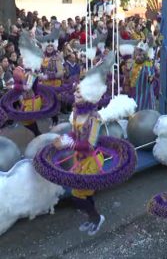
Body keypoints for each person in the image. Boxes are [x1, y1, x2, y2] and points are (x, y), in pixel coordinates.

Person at [53, 51, 114, 236]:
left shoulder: (95, 117)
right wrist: (66, 138)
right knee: (85, 194)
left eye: (80, 90)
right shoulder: (77, 112)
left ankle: (97, 218)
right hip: (80, 160)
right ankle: (93, 218)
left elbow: (90, 144)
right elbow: (75, 131)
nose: (76, 92)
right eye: (76, 90)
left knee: (77, 195)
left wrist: (69, 145)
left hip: (91, 161)